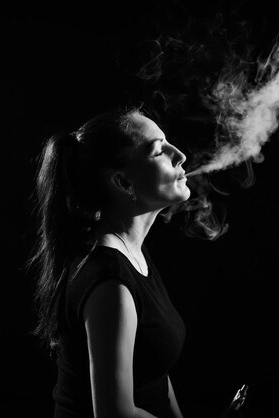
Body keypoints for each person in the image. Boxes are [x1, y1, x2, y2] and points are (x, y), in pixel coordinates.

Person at [30, 105, 191, 418]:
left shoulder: (133, 255)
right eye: (160, 151)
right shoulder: (111, 283)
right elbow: (115, 413)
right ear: (123, 183)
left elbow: (154, 369)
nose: (180, 155)